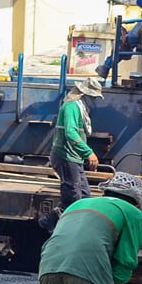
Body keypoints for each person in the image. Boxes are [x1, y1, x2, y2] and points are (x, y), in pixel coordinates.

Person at [39, 78, 103, 233]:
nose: (94, 101)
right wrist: (88, 152)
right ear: (85, 94)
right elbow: (70, 132)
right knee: (73, 196)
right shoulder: (72, 106)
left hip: (74, 157)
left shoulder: (80, 107)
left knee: (85, 196)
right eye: (93, 97)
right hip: (65, 156)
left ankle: (75, 227)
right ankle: (51, 222)